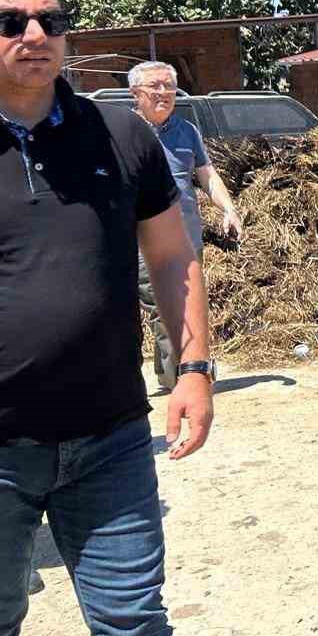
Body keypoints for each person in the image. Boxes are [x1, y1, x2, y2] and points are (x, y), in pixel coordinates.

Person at [0, 0, 215, 636]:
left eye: (50, 21)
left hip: (112, 438)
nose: (35, 36)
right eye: (12, 22)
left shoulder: (119, 133)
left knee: (133, 625)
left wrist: (193, 364)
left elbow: (172, 256)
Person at [129, 60, 243, 391]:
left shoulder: (187, 131)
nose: (163, 93)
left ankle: (178, 373)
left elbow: (207, 176)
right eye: (155, 86)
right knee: (163, 308)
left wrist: (229, 209)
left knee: (189, 304)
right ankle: (179, 376)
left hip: (187, 237)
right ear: (136, 92)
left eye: (169, 86)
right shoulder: (123, 131)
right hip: (142, 241)